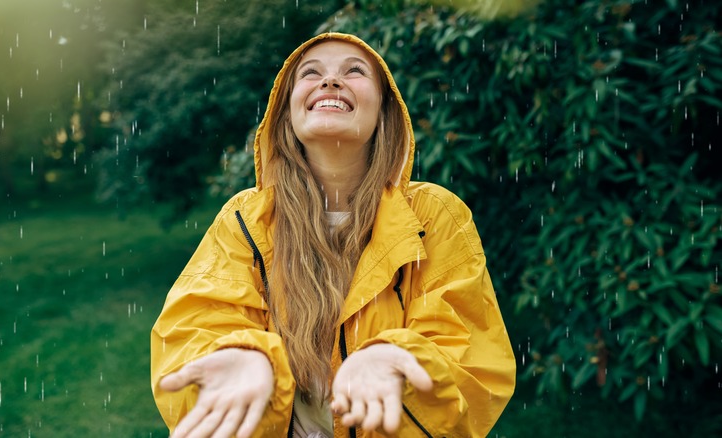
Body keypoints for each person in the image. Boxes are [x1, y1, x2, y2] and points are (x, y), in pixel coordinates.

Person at [151, 32, 516, 438]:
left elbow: (471, 362)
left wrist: (395, 360)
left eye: (354, 71)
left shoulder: (434, 214)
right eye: (311, 73)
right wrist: (243, 355)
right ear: (286, 113)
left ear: (384, 113)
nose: (329, 81)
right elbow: (196, 327)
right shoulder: (245, 219)